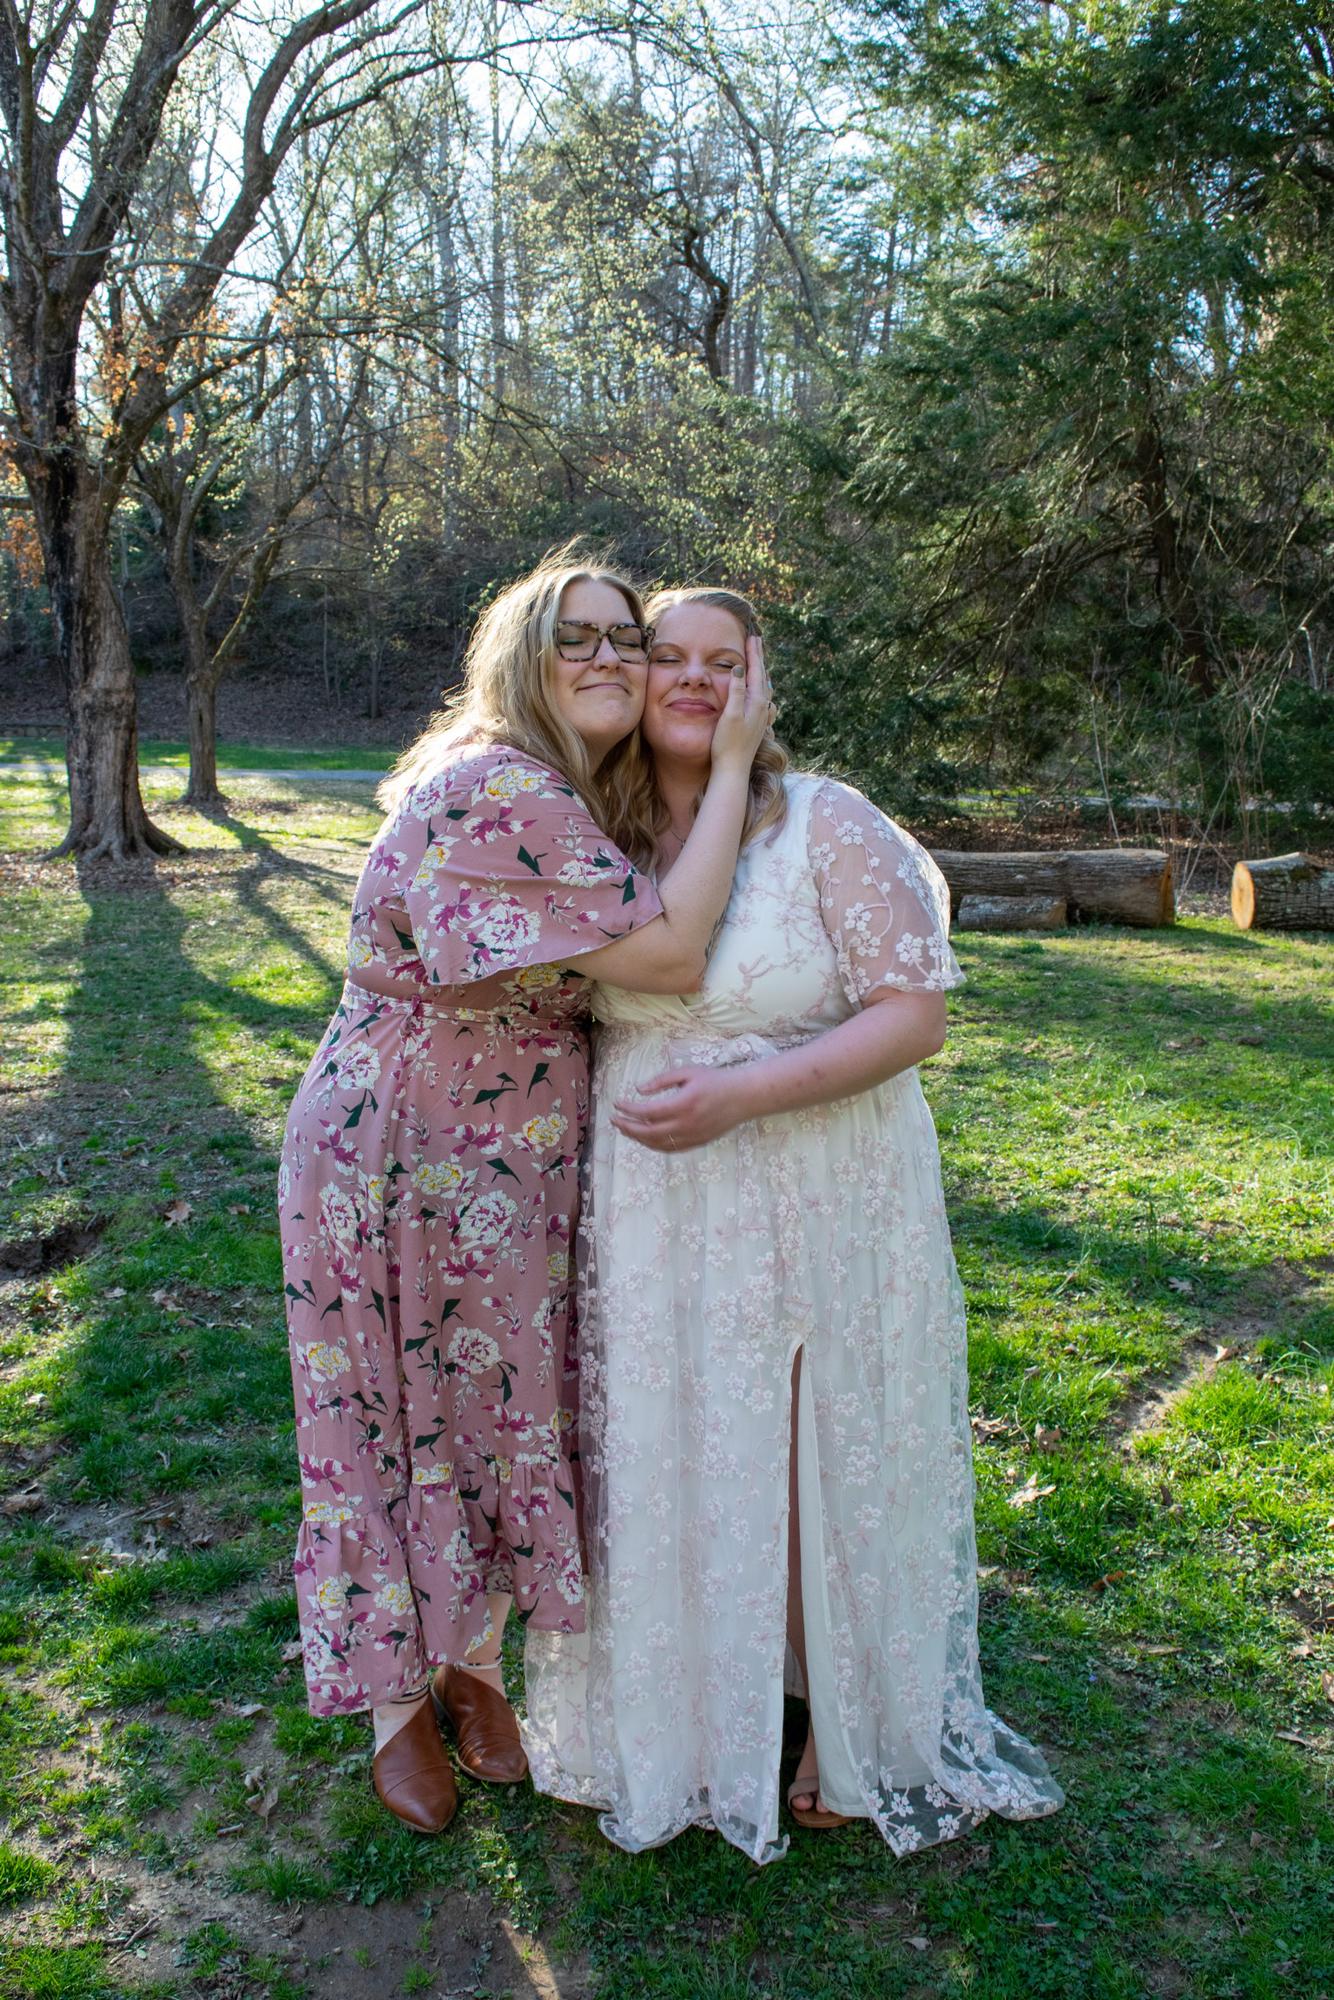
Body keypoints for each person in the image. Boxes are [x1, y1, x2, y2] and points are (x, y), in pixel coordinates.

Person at [523, 587, 1063, 1861]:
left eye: (723, 661)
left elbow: (912, 1016)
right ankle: (694, 1697)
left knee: (819, 1427)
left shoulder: (827, 819)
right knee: (680, 1427)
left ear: (759, 684)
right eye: (666, 655)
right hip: (655, 1202)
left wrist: (739, 1094)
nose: (691, 679)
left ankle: (844, 1709)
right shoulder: (590, 833)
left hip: (822, 1173)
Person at [278, 552, 771, 1835]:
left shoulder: (569, 790)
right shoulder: (503, 784)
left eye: (626, 636)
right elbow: (669, 954)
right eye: (576, 636)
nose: (609, 656)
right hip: (399, 1141)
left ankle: (475, 1662)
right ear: (519, 657)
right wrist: (730, 763)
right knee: (385, 1408)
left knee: (501, 1402)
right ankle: (395, 1702)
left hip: (510, 1143)